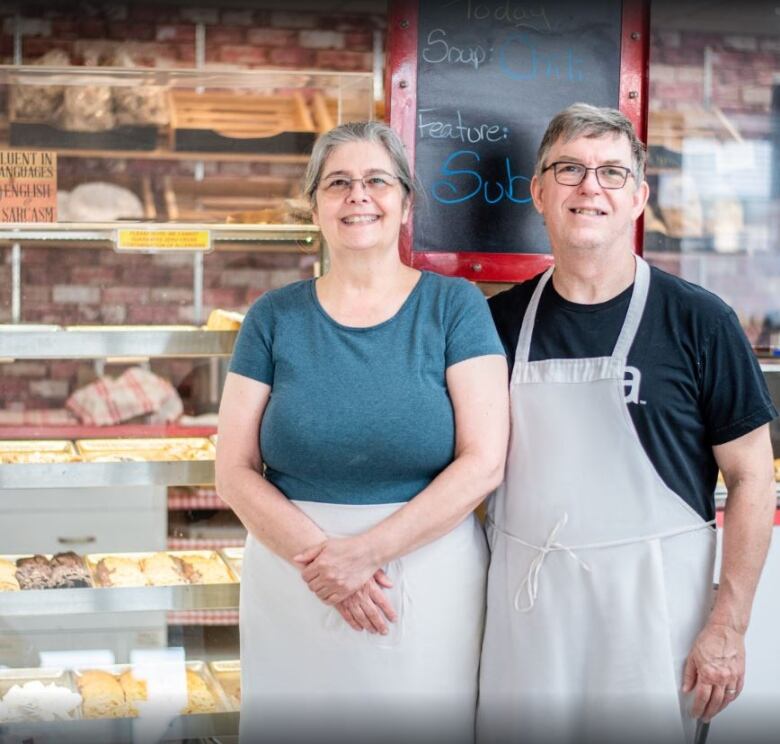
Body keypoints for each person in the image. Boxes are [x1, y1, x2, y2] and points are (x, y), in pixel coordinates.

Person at [477, 103, 777, 744]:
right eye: (569, 169)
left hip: (654, 614)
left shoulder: (700, 320)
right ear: (537, 191)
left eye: (612, 172)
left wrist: (728, 623)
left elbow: (753, 478)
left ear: (639, 196)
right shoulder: (496, 324)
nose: (590, 187)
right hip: (527, 616)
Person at [216, 120, 508, 744]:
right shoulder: (272, 317)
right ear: (315, 204)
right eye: (338, 183)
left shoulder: (456, 307)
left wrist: (364, 556)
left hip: (425, 578)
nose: (358, 196)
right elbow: (233, 469)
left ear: (405, 201)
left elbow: (484, 462)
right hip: (293, 576)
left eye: (377, 180)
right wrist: (326, 565)